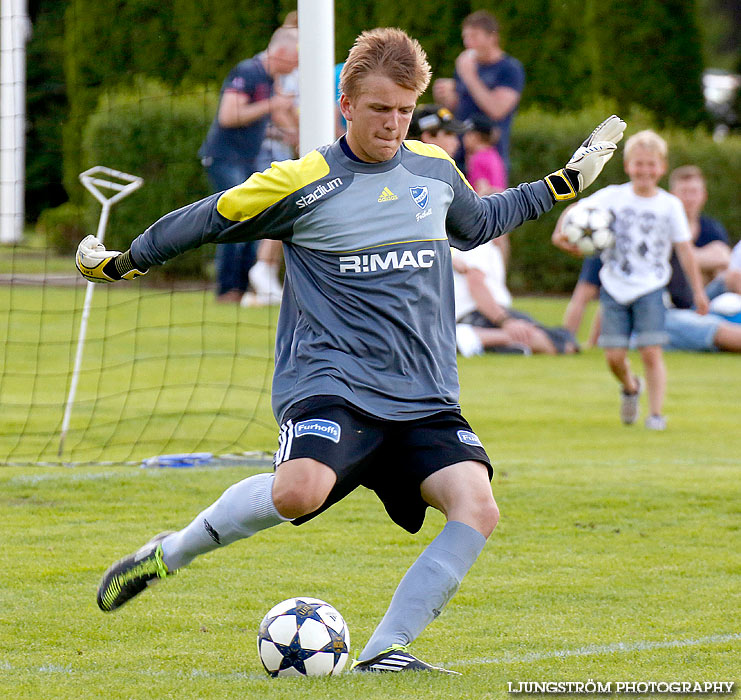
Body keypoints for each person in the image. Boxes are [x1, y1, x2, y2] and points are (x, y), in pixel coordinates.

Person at [75, 28, 623, 672]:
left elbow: (481, 224)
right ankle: (170, 553)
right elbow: (208, 216)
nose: (394, 124)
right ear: (347, 105)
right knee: (299, 492)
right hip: (330, 377)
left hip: (423, 391)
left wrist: (563, 183)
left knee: (477, 507)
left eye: (404, 110)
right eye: (379, 109)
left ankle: (385, 651)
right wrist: (126, 261)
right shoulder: (303, 182)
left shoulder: (433, 171)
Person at [552, 131, 709, 431]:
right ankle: (631, 386)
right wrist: (560, 232)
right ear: (627, 166)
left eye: (651, 164)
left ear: (661, 167)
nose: (645, 170)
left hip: (651, 286)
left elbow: (685, 251)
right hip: (614, 285)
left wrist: (698, 292)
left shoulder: (669, 205)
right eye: (639, 164)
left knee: (651, 350)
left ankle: (656, 414)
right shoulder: (613, 196)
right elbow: (575, 209)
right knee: (613, 357)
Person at [558, 165, 741, 354]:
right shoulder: (616, 240)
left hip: (695, 305)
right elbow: (598, 294)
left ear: (704, 195)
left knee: (732, 279)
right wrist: (580, 341)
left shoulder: (708, 229)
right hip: (660, 313)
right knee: (713, 328)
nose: (690, 198)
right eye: (684, 192)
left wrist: (689, 264)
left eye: (694, 192)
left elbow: (723, 258)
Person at [198, 26, 299, 303]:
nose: (297, 67)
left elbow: (261, 119)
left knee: (253, 221)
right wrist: (271, 105)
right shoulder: (249, 72)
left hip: (245, 161)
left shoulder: (269, 79)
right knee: (235, 221)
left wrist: (290, 133)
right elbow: (229, 116)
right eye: (295, 59)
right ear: (280, 53)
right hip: (223, 159)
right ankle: (227, 290)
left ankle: (241, 290)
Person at [433, 9, 525, 172]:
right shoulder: (466, 66)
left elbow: (497, 109)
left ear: (492, 37)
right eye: (465, 37)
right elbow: (457, 108)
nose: (469, 43)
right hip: (459, 154)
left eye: (474, 36)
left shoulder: (509, 69)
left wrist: (469, 76)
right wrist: (446, 97)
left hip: (489, 157)